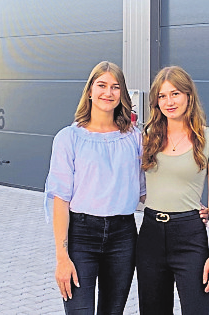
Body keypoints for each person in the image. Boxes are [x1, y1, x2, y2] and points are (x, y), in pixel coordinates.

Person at [44, 61, 144, 315]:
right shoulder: (69, 138)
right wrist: (62, 257)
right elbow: (60, 199)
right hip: (81, 236)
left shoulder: (134, 137)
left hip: (123, 236)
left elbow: (146, 191)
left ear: (122, 95)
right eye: (101, 85)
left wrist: (187, 207)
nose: (107, 93)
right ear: (89, 91)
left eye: (115, 87)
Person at [136, 66, 209, 315]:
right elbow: (135, 185)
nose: (169, 102)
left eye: (175, 94)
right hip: (150, 235)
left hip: (190, 236)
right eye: (162, 96)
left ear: (189, 96)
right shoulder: (148, 137)